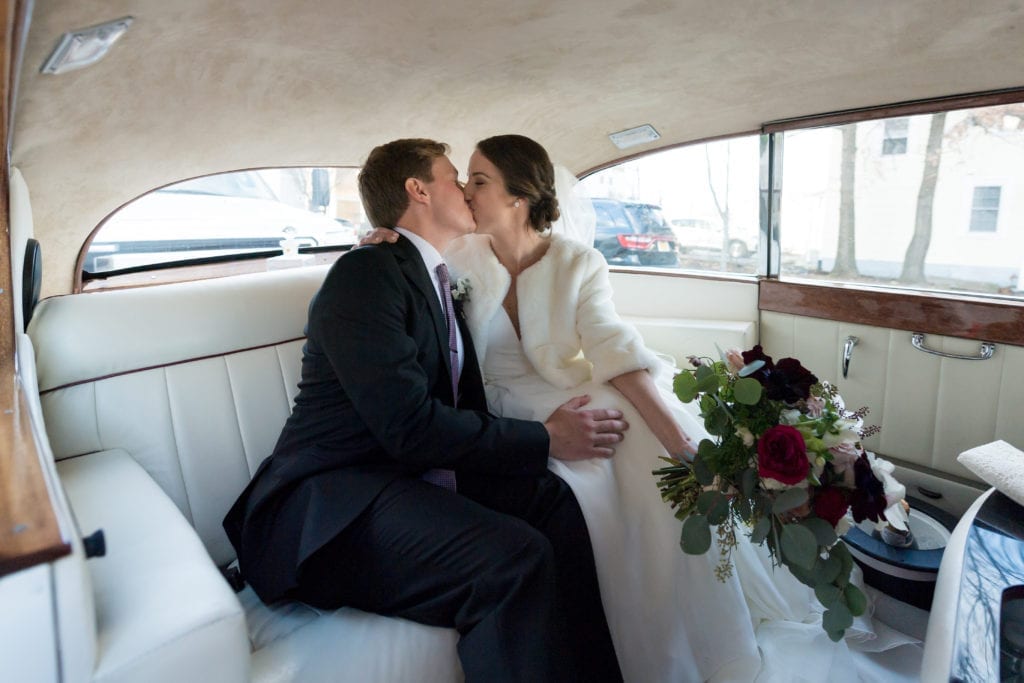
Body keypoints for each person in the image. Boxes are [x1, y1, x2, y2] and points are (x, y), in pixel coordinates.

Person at [363, 134, 922, 683]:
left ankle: (691, 643)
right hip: (499, 413)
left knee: (645, 460)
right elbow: (408, 267)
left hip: (572, 395)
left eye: (478, 181)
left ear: (519, 196)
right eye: (461, 180)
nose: (464, 190)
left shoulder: (576, 263)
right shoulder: (457, 256)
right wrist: (379, 237)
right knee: (592, 495)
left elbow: (613, 348)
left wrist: (681, 447)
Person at [223, 138, 626, 683]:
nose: (465, 188)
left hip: (406, 478)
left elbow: (457, 402)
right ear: (417, 190)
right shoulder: (365, 275)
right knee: (513, 558)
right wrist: (546, 438)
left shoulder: (437, 276)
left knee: (551, 500)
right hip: (337, 501)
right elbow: (409, 426)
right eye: (454, 176)